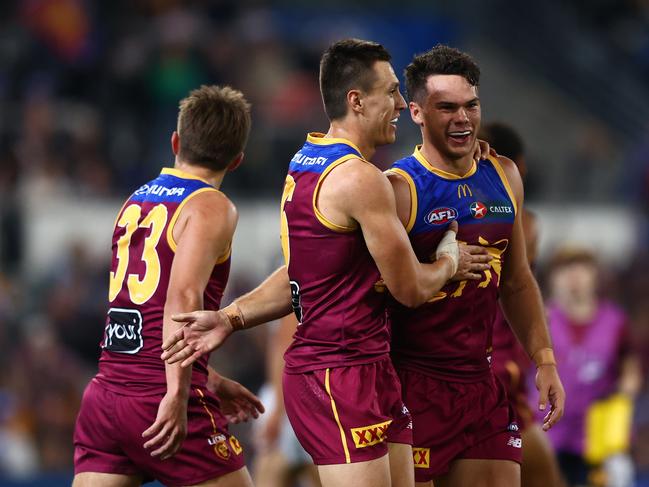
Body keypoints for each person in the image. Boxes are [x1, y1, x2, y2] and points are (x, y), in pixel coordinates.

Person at [161, 39, 491, 487]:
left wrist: (230, 317)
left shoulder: (306, 162)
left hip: (369, 366)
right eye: (391, 91)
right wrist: (449, 261)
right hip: (337, 372)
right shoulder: (360, 179)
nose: (400, 102)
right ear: (356, 100)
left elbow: (305, 274)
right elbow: (411, 289)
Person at [384, 45, 566, 487]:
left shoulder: (504, 175)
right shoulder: (398, 189)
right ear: (416, 112)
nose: (462, 118)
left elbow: (518, 282)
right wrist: (440, 266)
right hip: (412, 385)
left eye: (471, 105)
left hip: (480, 383)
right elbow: (360, 285)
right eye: (446, 107)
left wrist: (545, 362)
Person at [72, 85, 264, 487]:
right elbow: (181, 299)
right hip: (160, 395)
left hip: (106, 397)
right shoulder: (211, 205)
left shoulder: (136, 200)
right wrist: (179, 394)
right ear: (237, 160)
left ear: (175, 141)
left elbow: (141, 311)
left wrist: (208, 378)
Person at [480, 121, 564, 487]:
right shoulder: (524, 223)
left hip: (470, 368)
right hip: (497, 373)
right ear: (520, 169)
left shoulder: (451, 208)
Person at [542, 247, 642, 487]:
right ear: (553, 278)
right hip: (546, 437)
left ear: (595, 276)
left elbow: (631, 370)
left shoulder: (615, 322)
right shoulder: (539, 319)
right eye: (565, 269)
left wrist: (620, 401)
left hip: (597, 440)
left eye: (582, 268)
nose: (574, 276)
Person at [252, 313, 321, 487]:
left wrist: (277, 410)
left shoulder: (295, 290)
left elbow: (285, 349)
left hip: (294, 398)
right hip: (304, 396)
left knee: (272, 471)